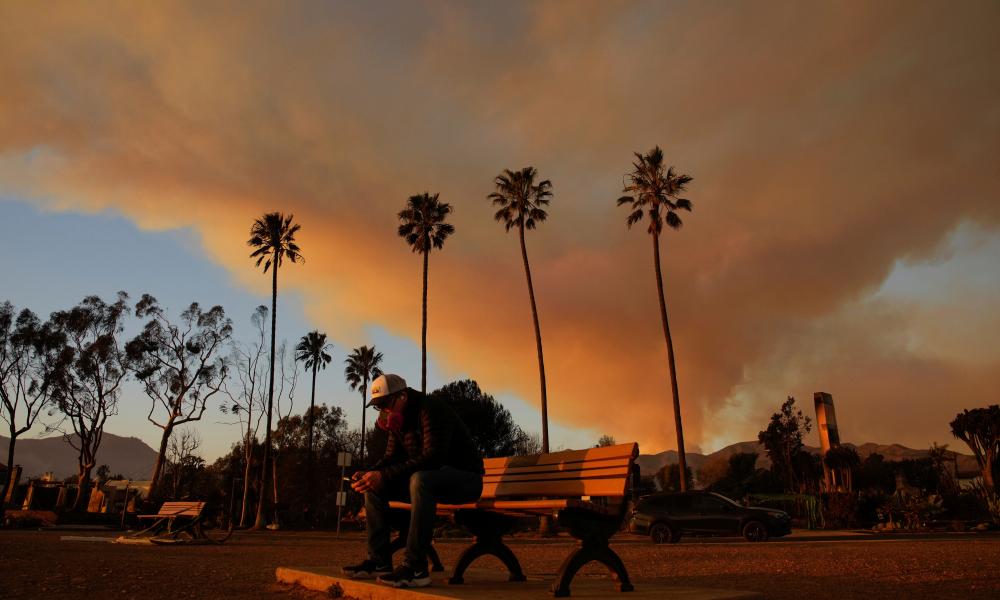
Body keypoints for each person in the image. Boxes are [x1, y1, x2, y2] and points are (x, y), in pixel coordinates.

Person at [342, 373, 484, 588]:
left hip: (465, 480)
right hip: (429, 481)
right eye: (378, 406)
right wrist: (369, 473)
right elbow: (391, 457)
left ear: (403, 397)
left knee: (420, 479)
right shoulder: (397, 421)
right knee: (374, 487)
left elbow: (434, 457)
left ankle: (416, 568)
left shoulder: (431, 408)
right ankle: (379, 562)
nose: (384, 411)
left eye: (386, 403)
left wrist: (384, 474)